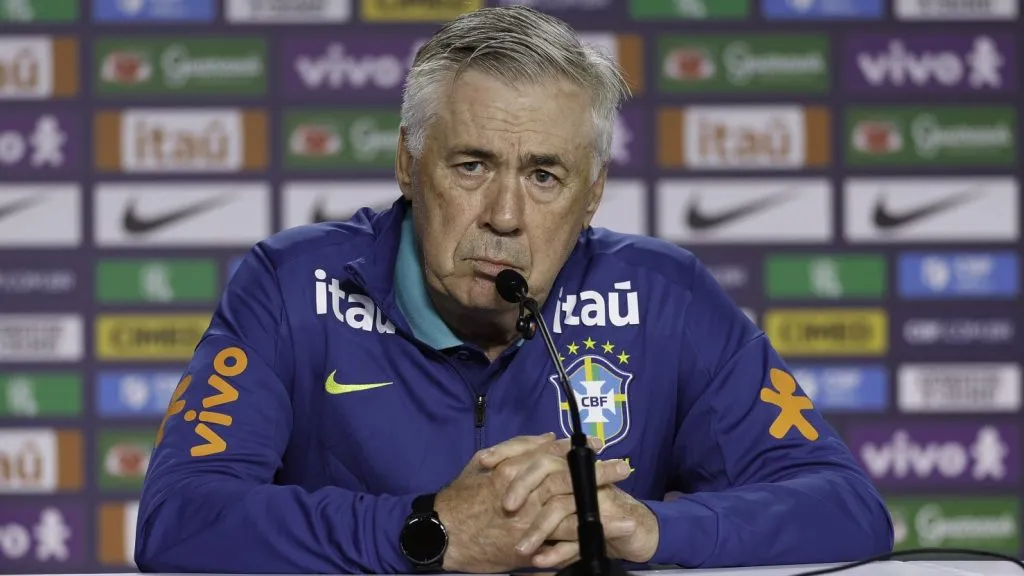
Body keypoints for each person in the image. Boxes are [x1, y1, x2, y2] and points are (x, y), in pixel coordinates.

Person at [134, 6, 893, 574]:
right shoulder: (293, 287)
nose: (503, 215)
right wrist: (429, 530)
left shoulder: (665, 297)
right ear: (408, 163)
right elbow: (178, 521)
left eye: (543, 176)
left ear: (591, 195)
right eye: (471, 165)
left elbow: (849, 508)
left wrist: (648, 529)